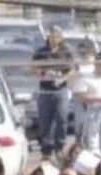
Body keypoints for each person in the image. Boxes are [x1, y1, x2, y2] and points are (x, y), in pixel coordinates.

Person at [33, 27, 72, 159]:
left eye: (56, 37)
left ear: (61, 38)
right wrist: (43, 73)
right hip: (45, 91)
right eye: (51, 37)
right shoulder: (41, 52)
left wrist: (62, 79)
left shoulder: (66, 52)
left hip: (61, 90)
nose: (54, 39)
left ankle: (59, 146)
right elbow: (33, 68)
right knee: (45, 121)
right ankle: (46, 150)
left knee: (61, 118)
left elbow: (72, 71)